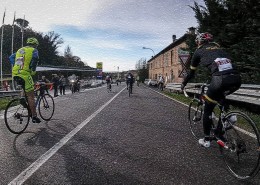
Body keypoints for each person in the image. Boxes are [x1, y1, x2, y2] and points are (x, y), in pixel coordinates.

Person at [181, 32, 241, 148]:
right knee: (220, 94)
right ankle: (229, 117)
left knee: (208, 107)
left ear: (199, 42)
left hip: (220, 79)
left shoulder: (199, 51)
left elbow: (191, 73)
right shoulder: (219, 48)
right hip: (236, 79)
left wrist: (184, 83)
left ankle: (206, 139)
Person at [11, 37, 41, 123]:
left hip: (15, 73)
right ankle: (34, 116)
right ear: (35, 45)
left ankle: (22, 98)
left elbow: (11, 58)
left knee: (24, 87)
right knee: (31, 96)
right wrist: (33, 70)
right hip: (25, 74)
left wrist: (18, 65)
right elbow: (35, 59)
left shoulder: (20, 50)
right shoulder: (34, 50)